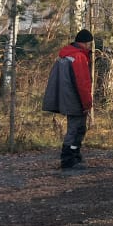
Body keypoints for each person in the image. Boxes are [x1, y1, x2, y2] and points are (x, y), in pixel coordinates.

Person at [43, 29, 94, 170]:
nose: (90, 46)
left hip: (66, 98)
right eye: (89, 43)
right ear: (85, 43)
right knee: (76, 129)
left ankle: (74, 155)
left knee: (77, 129)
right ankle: (69, 159)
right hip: (76, 99)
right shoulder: (79, 57)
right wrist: (87, 103)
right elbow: (82, 83)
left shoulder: (65, 56)